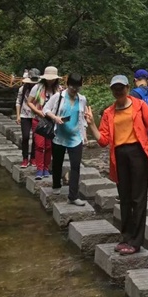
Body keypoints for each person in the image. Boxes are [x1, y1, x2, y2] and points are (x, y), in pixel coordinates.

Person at [85, 74, 148, 255]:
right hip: (119, 155)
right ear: (112, 90)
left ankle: (136, 242)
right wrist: (91, 125)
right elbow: (103, 140)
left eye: (121, 87)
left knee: (138, 198)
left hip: (138, 153)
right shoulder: (108, 113)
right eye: (115, 88)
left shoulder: (139, 105)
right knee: (124, 198)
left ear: (128, 88)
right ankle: (126, 237)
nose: (118, 91)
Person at [45, 73, 88, 206]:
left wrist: (84, 135)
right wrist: (55, 117)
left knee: (75, 166)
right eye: (72, 87)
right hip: (59, 136)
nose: (74, 90)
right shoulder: (58, 97)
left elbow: (82, 119)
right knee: (57, 162)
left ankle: (73, 196)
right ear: (67, 84)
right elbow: (45, 109)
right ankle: (56, 184)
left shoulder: (82, 99)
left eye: (77, 87)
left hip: (75, 137)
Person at [27, 65, 60, 180]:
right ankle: (39, 169)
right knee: (40, 145)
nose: (50, 80)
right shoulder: (37, 87)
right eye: (49, 78)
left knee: (49, 145)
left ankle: (46, 168)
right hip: (39, 119)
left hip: (52, 121)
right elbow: (29, 102)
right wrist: (38, 111)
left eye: (53, 78)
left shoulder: (58, 90)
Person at [15, 68, 40, 168]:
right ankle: (25, 158)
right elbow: (18, 102)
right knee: (25, 137)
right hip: (25, 115)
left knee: (35, 137)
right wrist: (17, 116)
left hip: (36, 115)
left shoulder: (40, 89)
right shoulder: (23, 89)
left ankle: (33, 158)